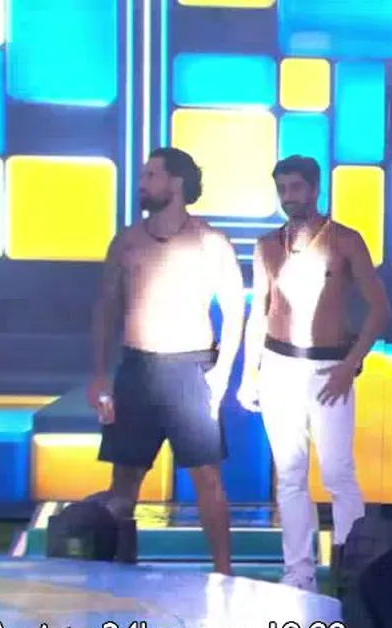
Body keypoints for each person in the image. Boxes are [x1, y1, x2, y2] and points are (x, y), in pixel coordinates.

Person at [237, 155, 390, 592]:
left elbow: (380, 310)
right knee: (289, 475)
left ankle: (354, 574)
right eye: (282, 189)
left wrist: (349, 365)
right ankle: (299, 573)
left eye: (296, 188)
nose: (289, 197)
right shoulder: (267, 245)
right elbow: (259, 313)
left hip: (329, 368)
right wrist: (249, 375)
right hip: (278, 367)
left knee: (338, 473)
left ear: (315, 189)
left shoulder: (345, 241)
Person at [88, 147, 243, 575]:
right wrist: (100, 376)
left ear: (176, 182)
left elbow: (235, 312)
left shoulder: (211, 242)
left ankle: (223, 572)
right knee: (125, 478)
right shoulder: (126, 242)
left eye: (151, 175)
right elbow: (105, 310)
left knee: (207, 476)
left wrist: (222, 372)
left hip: (191, 371)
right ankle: (116, 572)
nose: (142, 183)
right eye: (142, 175)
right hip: (137, 369)